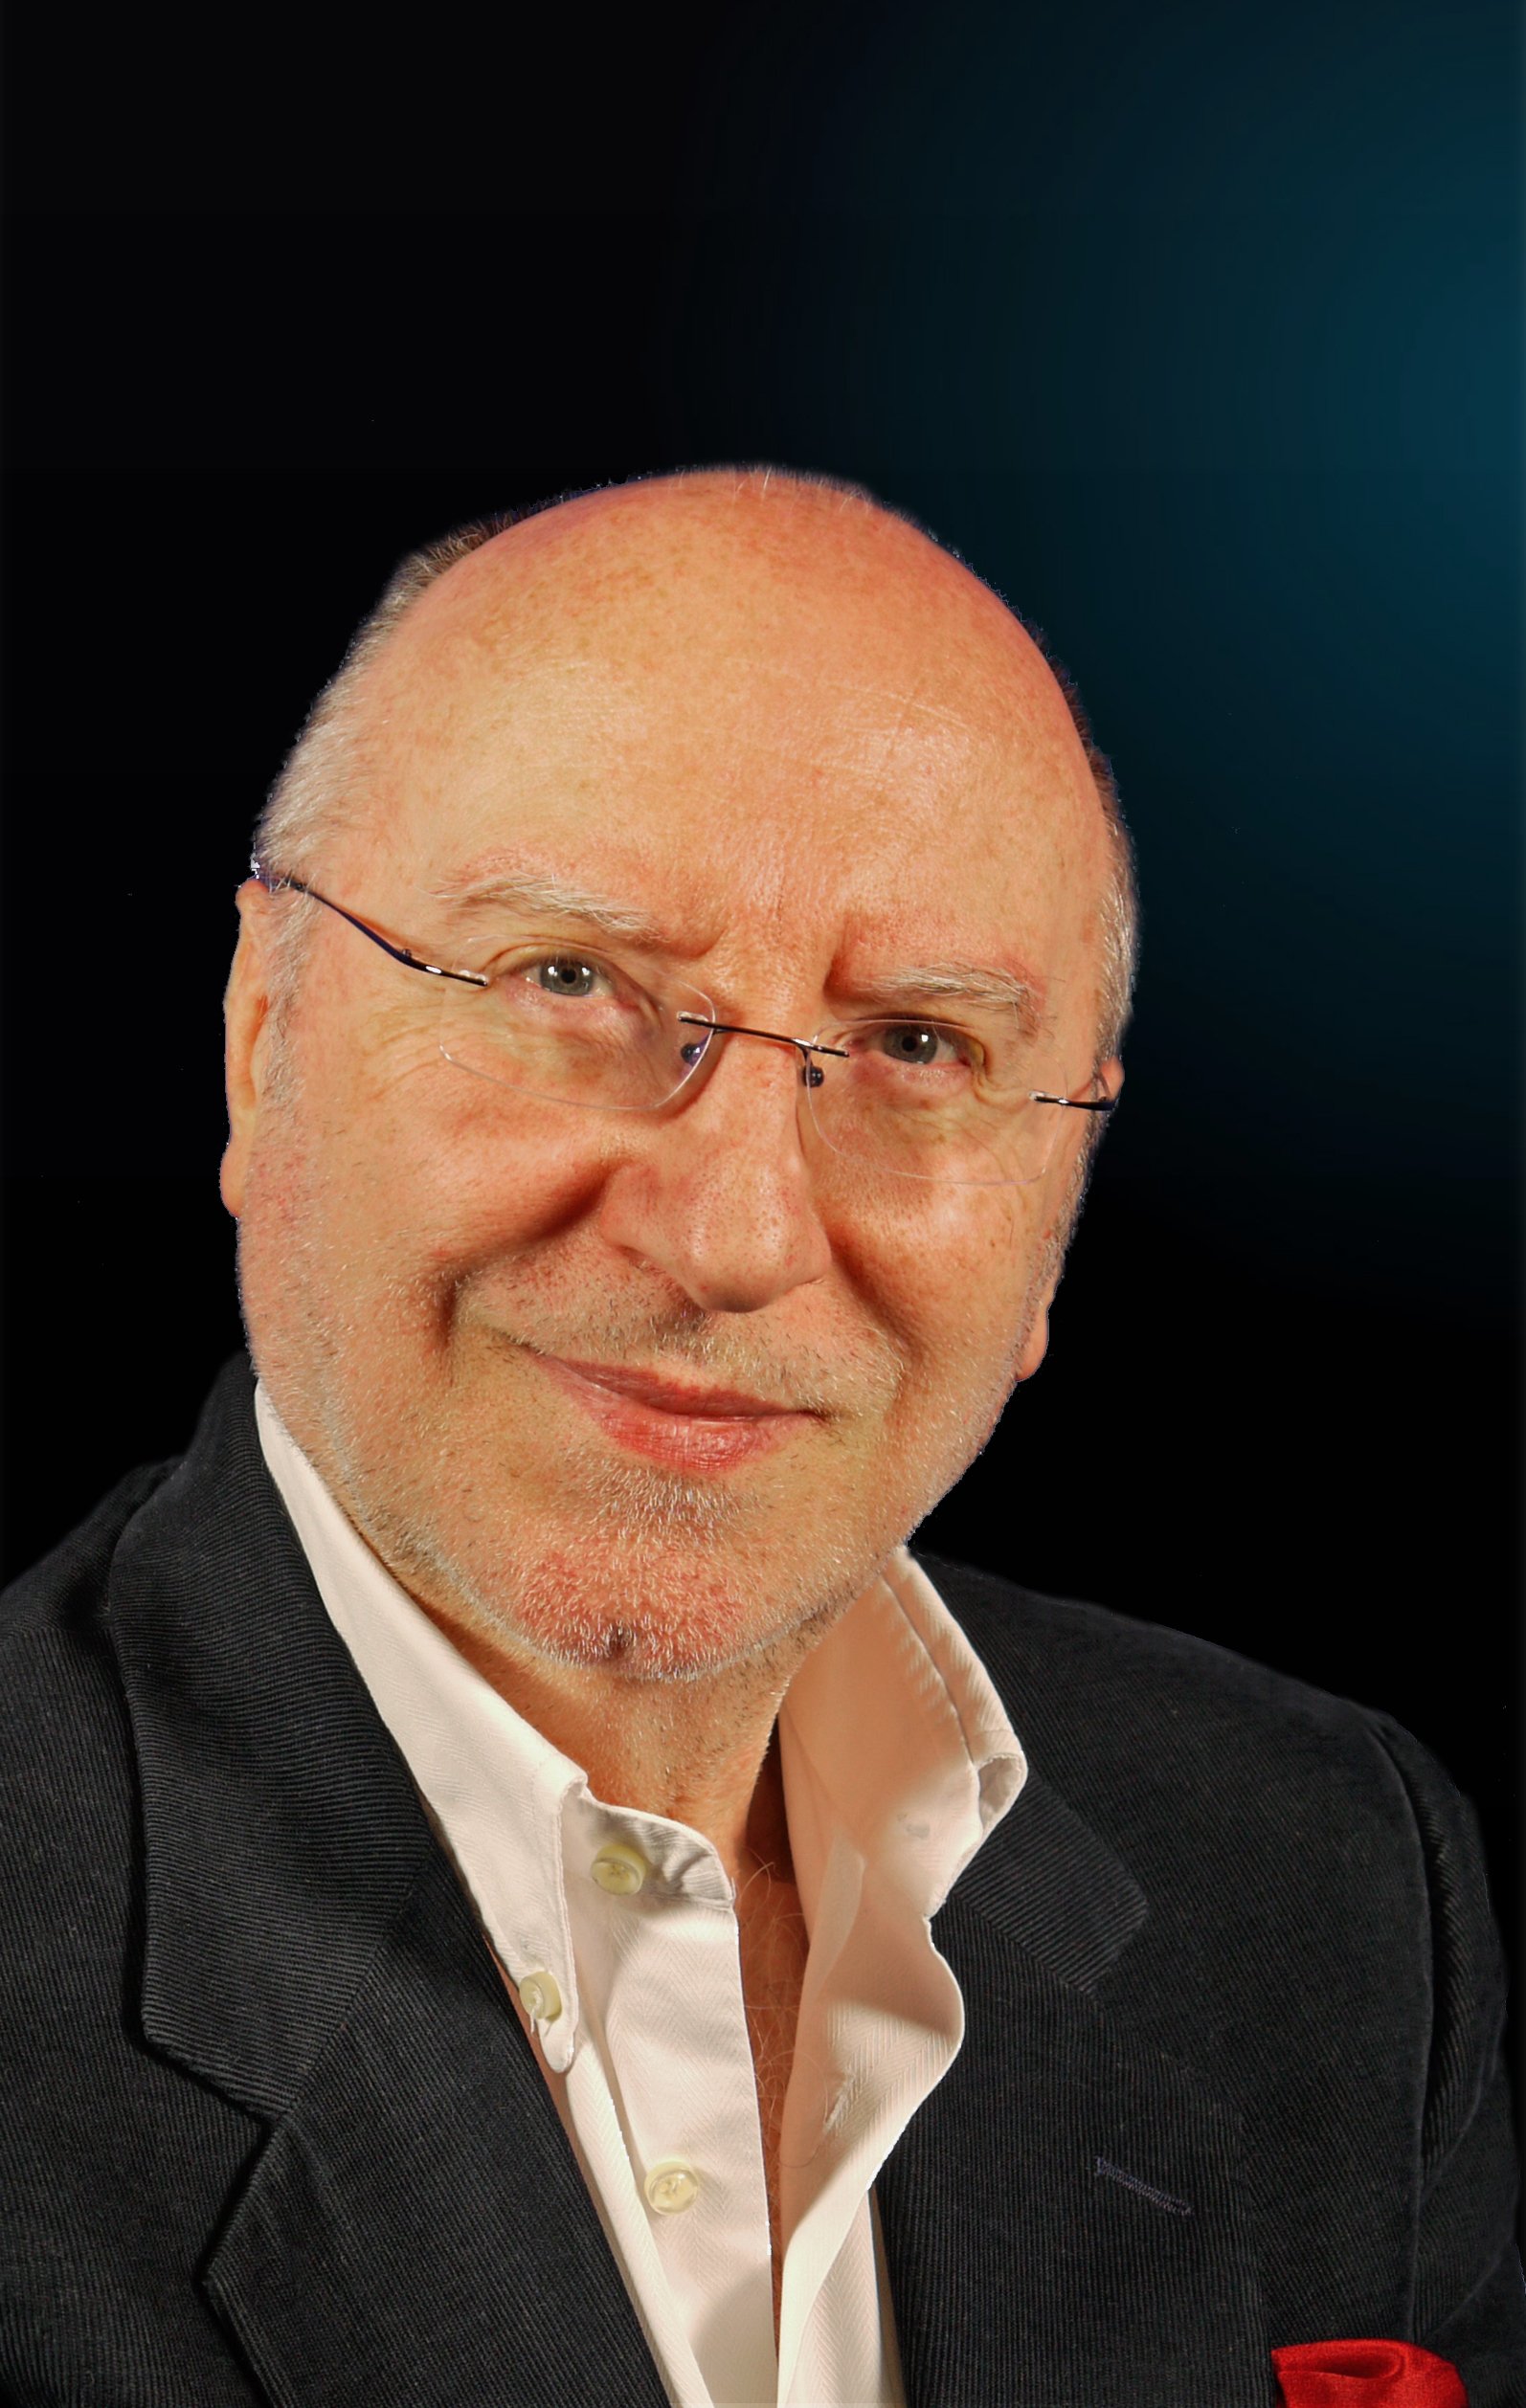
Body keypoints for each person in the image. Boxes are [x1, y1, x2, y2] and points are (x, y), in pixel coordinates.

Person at [0, 466, 1518, 2408]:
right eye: (569, 982)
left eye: (915, 1047)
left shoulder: (1323, 1882)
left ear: (1062, 1190)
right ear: (258, 1033)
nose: (731, 1238)